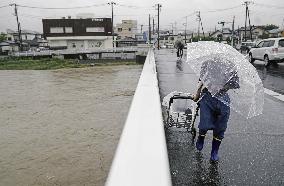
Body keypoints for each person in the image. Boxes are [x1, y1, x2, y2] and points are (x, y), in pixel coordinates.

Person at [193, 58, 239, 163]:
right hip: (207, 97)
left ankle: (214, 151)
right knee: (205, 123)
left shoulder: (231, 65)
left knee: (221, 127)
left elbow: (235, 83)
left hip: (223, 99)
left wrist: (224, 86)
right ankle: (201, 137)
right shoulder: (206, 63)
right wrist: (198, 93)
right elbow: (201, 80)